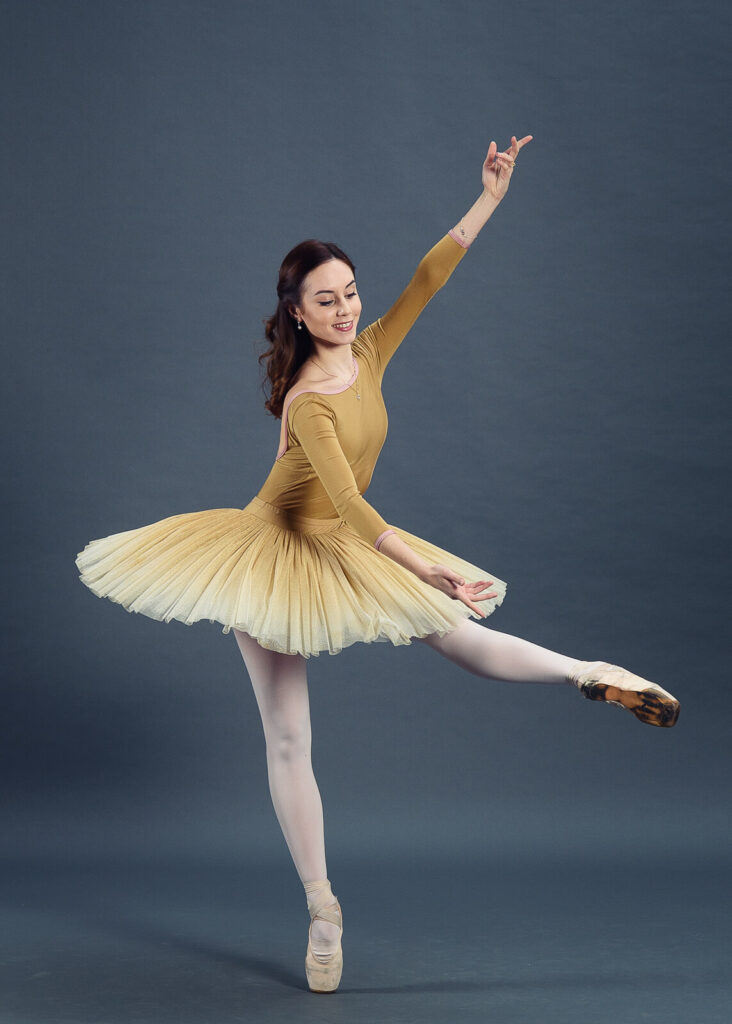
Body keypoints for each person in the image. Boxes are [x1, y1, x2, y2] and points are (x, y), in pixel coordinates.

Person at [75, 134, 680, 994]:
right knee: (291, 737)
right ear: (296, 313)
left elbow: (431, 275)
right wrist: (424, 568)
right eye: (327, 302)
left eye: (352, 293)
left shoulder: (371, 350)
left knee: (458, 636)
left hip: (348, 543)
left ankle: (589, 672)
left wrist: (490, 200)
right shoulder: (305, 398)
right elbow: (349, 507)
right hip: (275, 549)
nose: (348, 310)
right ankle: (324, 912)